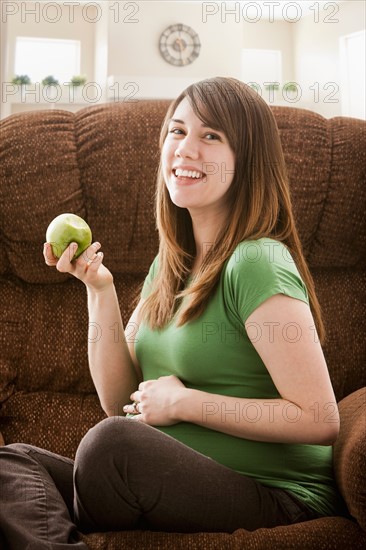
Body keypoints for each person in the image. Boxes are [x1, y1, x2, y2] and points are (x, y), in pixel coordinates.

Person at [0, 77, 343, 548]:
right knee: (13, 461)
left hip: (275, 494)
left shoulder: (256, 260)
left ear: (247, 162)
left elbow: (319, 418)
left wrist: (185, 403)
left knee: (109, 446)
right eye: (177, 132)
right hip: (162, 479)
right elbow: (118, 397)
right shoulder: (172, 263)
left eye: (211, 136)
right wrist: (98, 289)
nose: (186, 149)